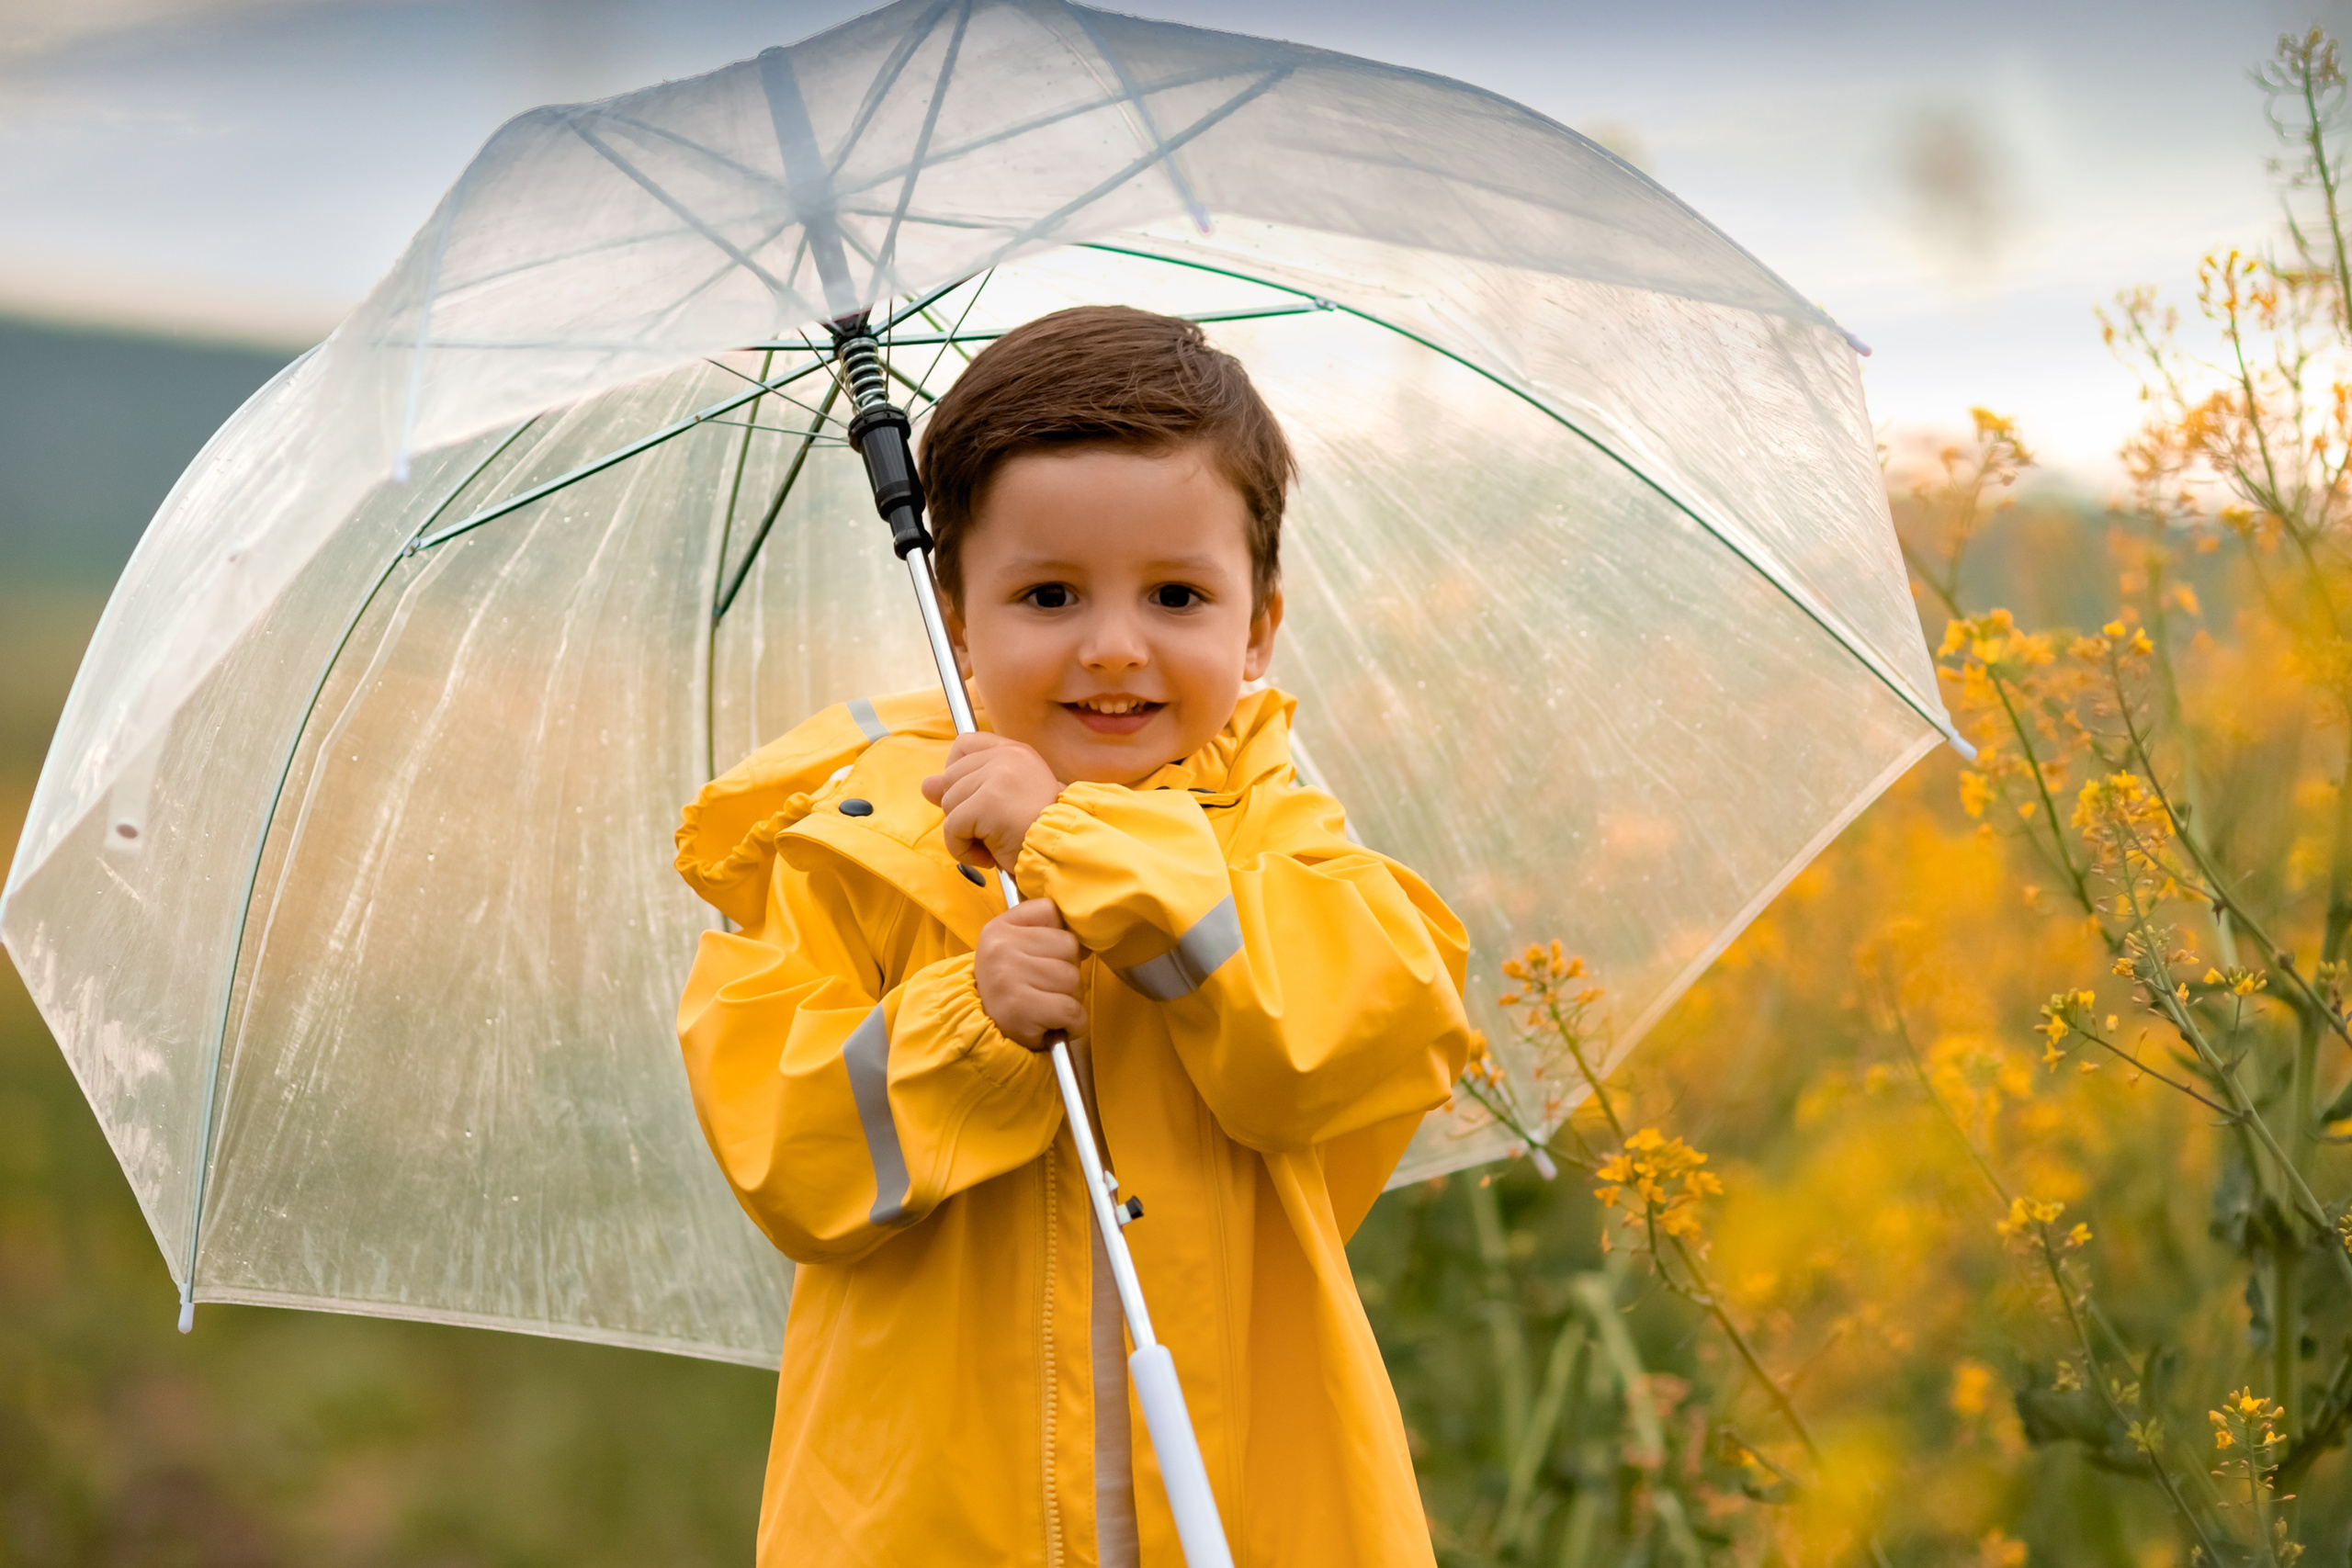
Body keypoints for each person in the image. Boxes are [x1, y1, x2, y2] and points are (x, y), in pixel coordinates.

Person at [673, 305, 1473, 1567]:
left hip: (1240, 1494)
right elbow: (785, 1149)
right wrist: (966, 1026)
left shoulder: (1279, 834)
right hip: (931, 1516)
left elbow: (1356, 1042)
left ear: (1258, 626)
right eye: (1048, 595)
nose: (1112, 648)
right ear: (956, 618)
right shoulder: (851, 849)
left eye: (1176, 595)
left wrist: (1075, 842)